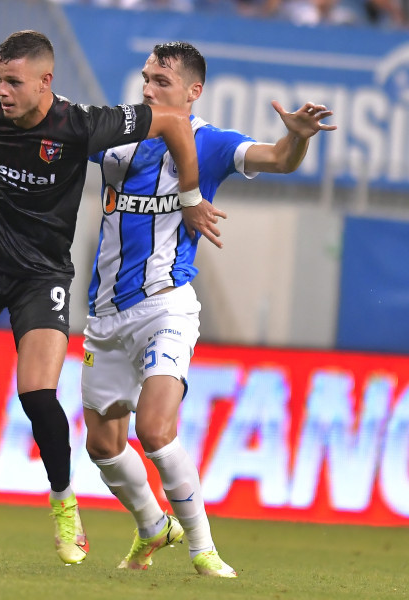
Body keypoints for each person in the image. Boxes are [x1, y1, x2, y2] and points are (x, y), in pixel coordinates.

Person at [0, 30, 213, 564]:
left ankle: (65, 506)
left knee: (37, 395)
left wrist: (191, 198)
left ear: (46, 82)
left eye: (14, 82)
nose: (1, 92)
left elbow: (176, 124)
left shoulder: (83, 126)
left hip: (41, 276)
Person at [80, 42, 335, 576]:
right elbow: (55, 138)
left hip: (166, 307)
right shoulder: (119, 134)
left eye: (163, 83)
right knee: (102, 446)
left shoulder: (209, 143)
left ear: (194, 92)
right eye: (147, 79)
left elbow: (279, 160)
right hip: (104, 316)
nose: (149, 89)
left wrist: (297, 137)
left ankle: (202, 547)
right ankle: (153, 527)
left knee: (153, 429)